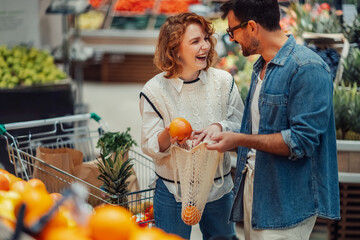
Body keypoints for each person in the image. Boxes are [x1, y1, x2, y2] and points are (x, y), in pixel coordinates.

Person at [205, 0, 341, 239]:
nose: (232, 39)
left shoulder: (307, 68)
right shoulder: (262, 67)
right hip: (256, 191)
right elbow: (261, 129)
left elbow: (300, 142)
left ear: (252, 27)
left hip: (286, 203)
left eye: (232, 31)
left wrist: (240, 139)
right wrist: (225, 133)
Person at [139, 12, 244, 240]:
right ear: (175, 49)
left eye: (206, 38)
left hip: (218, 187)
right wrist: (170, 133)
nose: (205, 46)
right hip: (172, 190)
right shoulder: (153, 91)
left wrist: (219, 126)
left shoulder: (223, 82)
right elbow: (149, 145)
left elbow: (242, 125)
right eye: (195, 41)